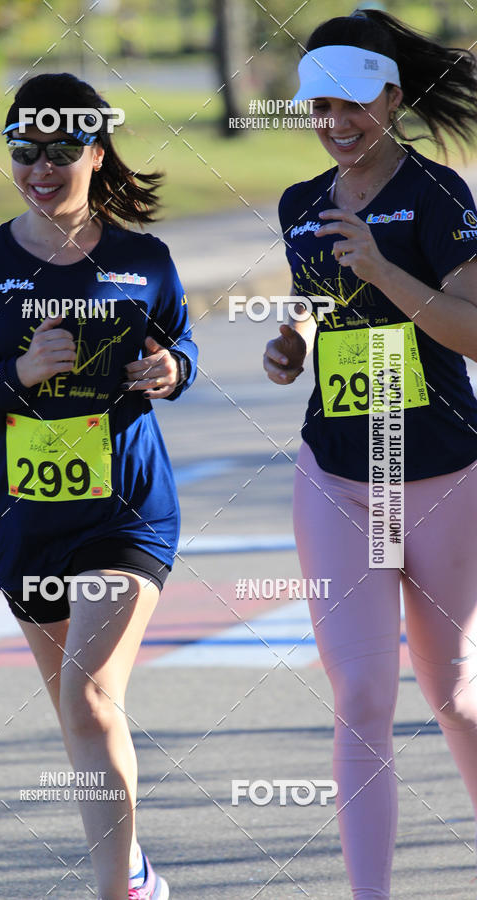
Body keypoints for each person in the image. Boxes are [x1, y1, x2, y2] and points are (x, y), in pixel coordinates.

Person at [0, 72, 198, 900]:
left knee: (88, 702)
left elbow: (181, 346)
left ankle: (115, 892)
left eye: (61, 151)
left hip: (127, 513)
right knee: (80, 719)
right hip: (27, 521)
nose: (40, 169)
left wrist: (172, 370)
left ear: (96, 152)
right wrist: (19, 372)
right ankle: (137, 871)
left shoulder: (142, 260)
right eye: (24, 151)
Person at [264, 10, 477, 898]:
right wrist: (292, 343)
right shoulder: (301, 204)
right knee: (359, 696)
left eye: (353, 103)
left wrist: (386, 269)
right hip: (338, 475)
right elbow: (317, 305)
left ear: (391, 98)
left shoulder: (440, 195)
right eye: (320, 106)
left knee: (454, 695)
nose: (336, 122)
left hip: (441, 476)